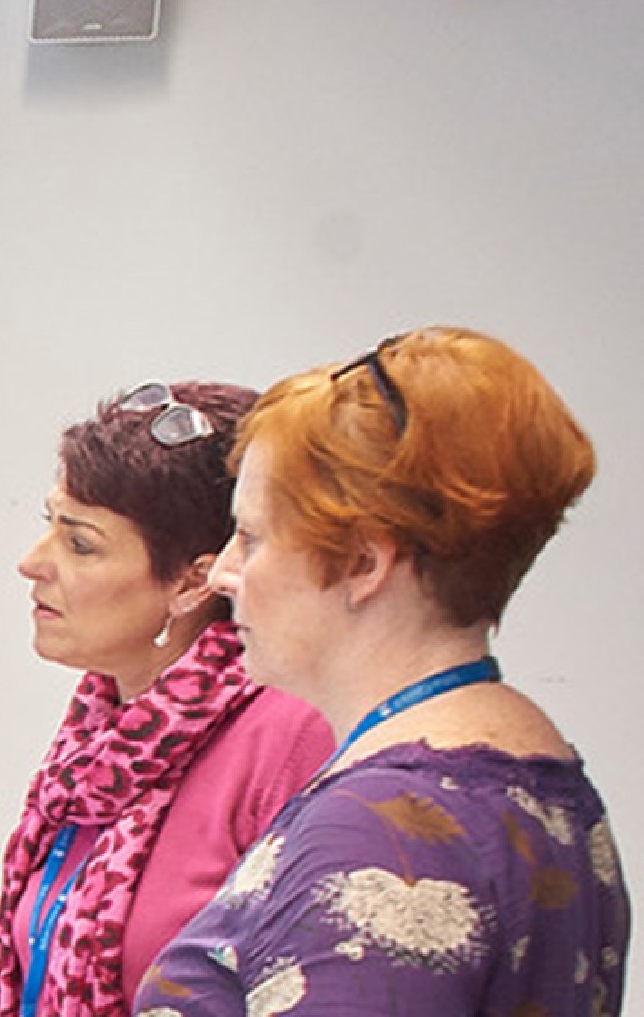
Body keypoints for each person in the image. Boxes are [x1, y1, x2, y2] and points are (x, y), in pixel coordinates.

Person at [134, 327, 630, 1017]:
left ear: (364, 564)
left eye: (251, 537)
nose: (222, 572)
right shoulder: (536, 779)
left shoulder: (383, 830)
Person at [0, 382, 335, 1017]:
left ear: (195, 580)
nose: (32, 563)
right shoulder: (99, 734)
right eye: (48, 527)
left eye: (80, 543)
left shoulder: (291, 737)